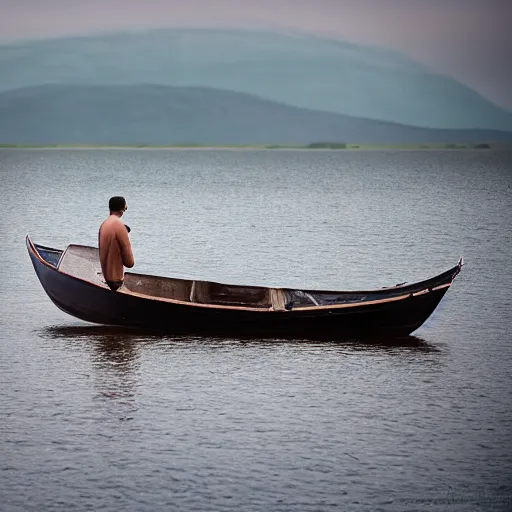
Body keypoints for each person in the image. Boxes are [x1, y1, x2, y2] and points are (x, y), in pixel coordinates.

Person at [98, 196, 134, 291]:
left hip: (107, 278)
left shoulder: (104, 225)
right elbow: (129, 263)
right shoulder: (120, 226)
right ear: (123, 209)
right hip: (116, 281)